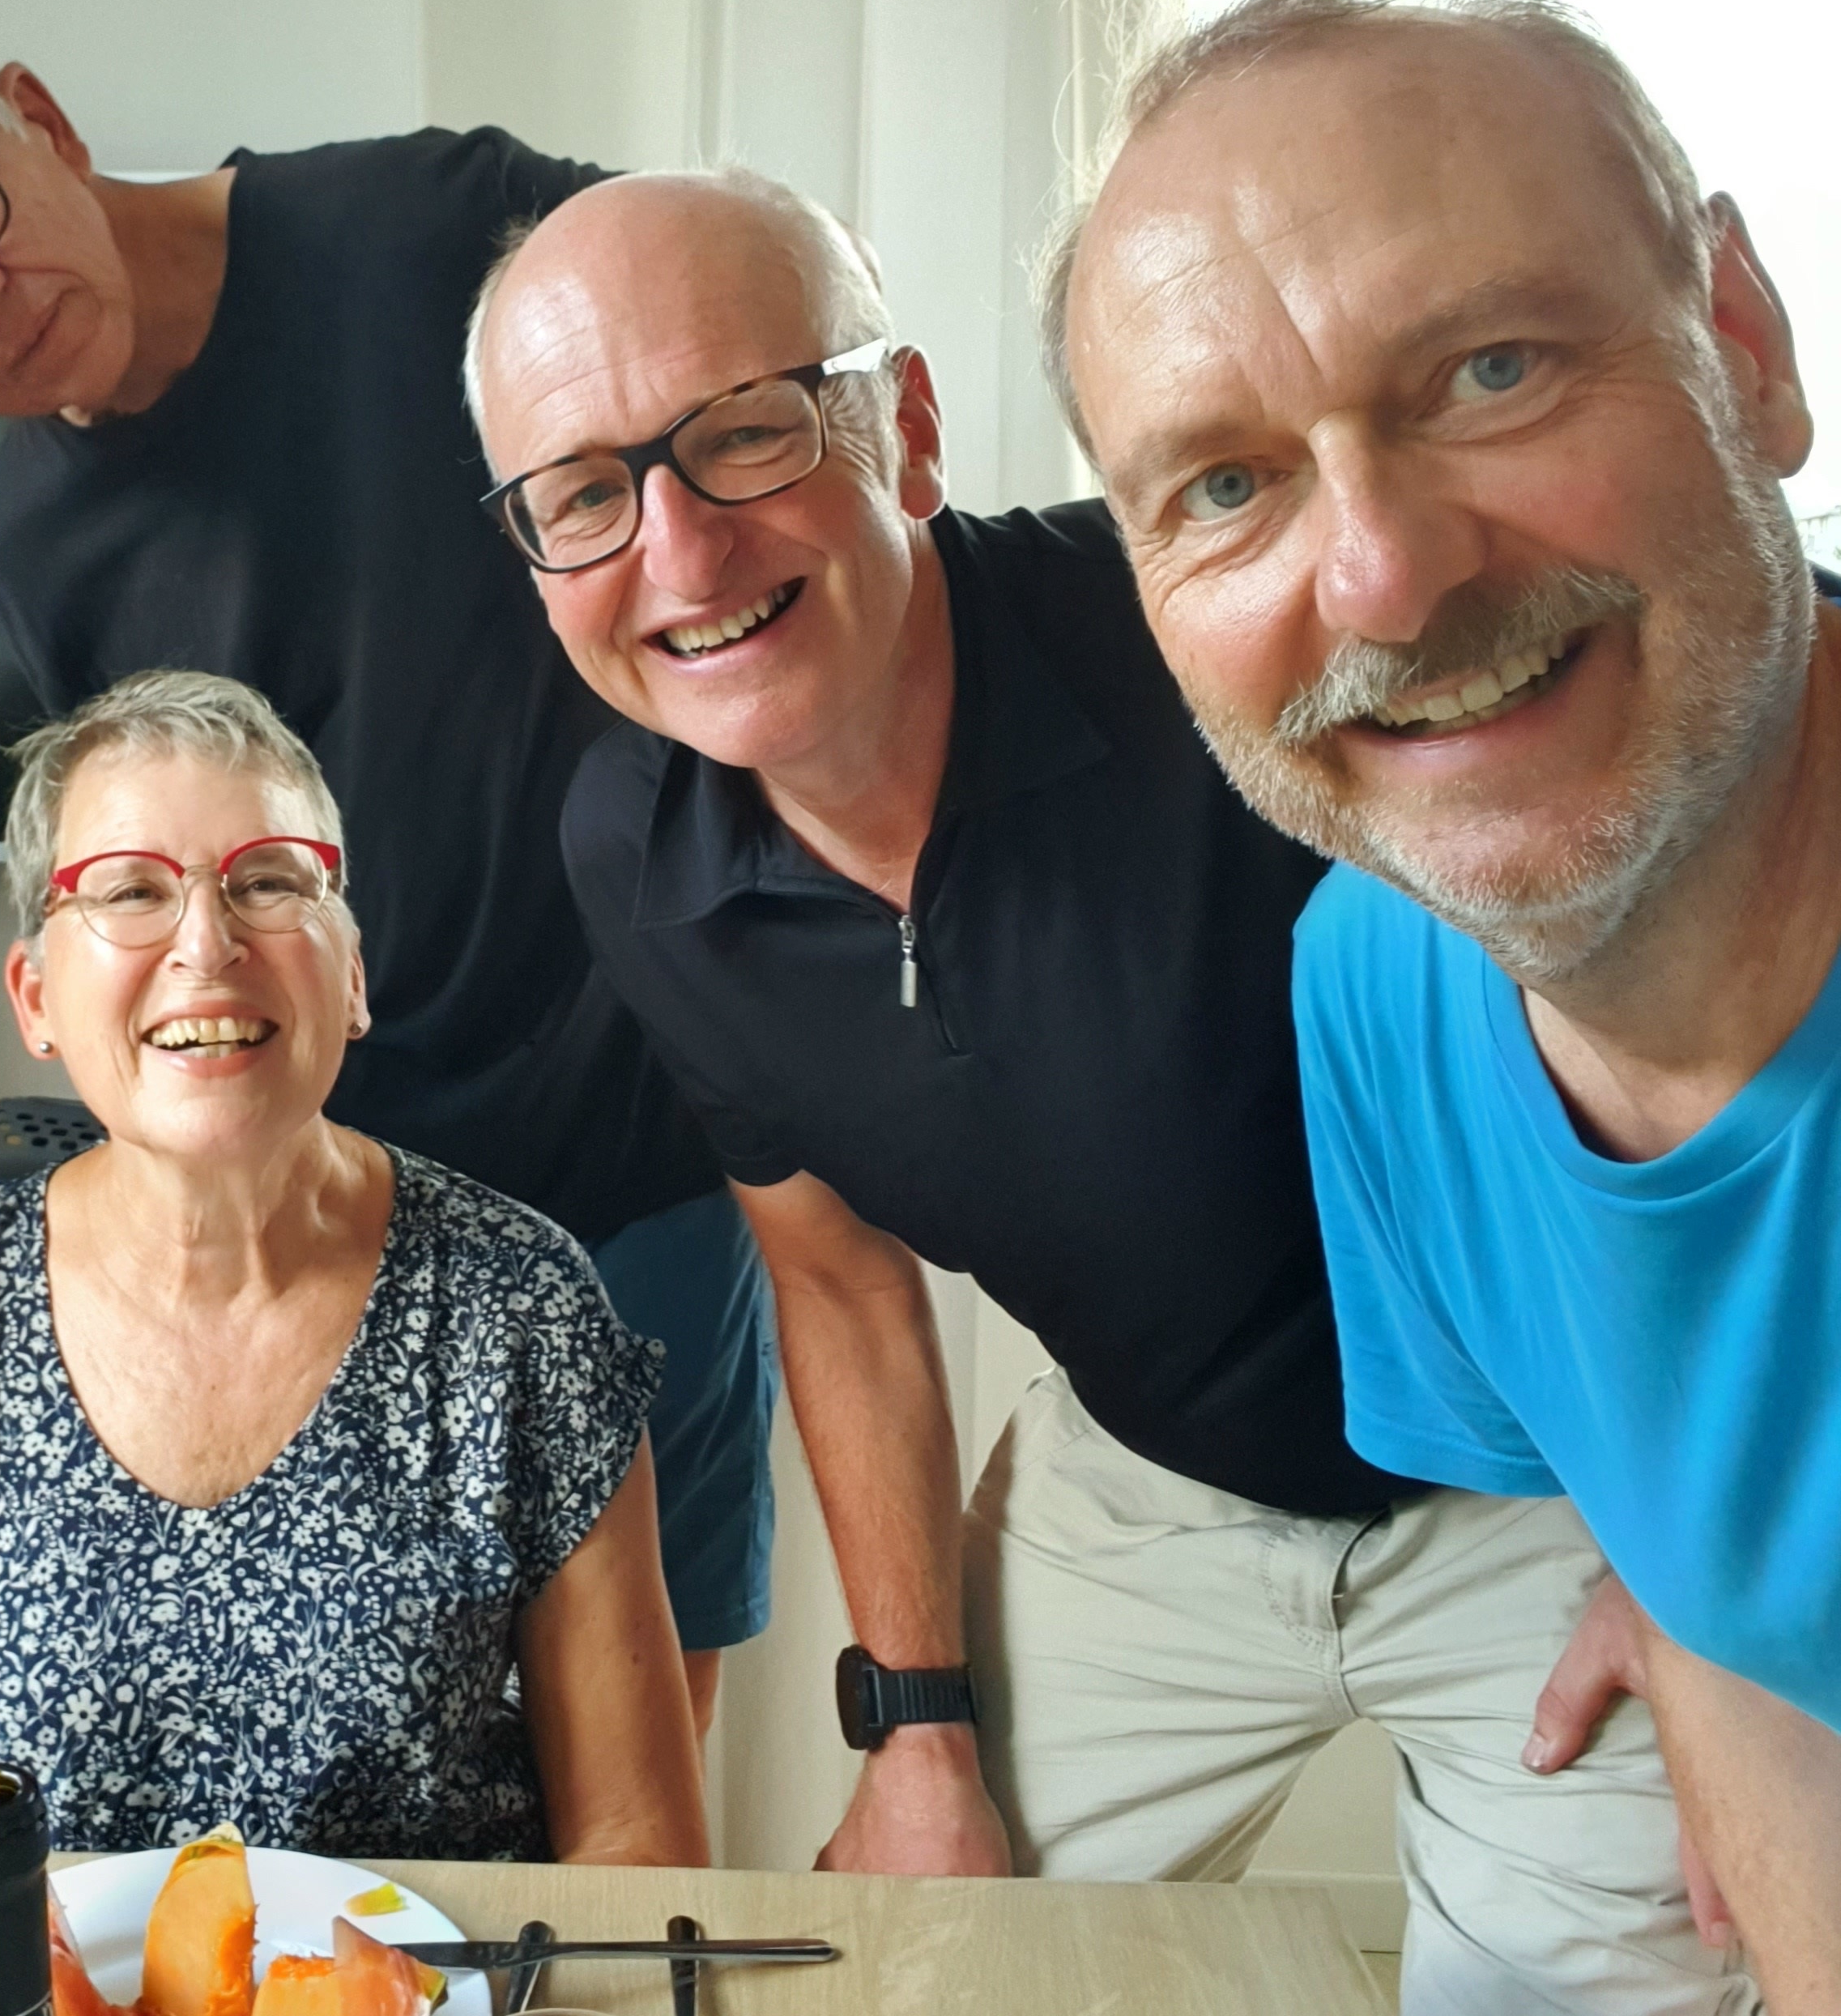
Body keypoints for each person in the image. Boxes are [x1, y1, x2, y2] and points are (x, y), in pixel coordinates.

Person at [467, 164, 1745, 2013]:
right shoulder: (632, 846)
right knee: (914, 1981)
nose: (679, 553)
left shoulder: (1210, 629)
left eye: (743, 437)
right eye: (586, 494)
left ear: (900, 428)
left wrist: (1715, 1549)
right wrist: (916, 1730)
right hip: (1143, 1477)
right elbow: (831, 1276)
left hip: (1559, 1474)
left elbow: (1734, 941)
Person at [0, 0, 777, 1730]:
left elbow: (731, 333)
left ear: (32, 113)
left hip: (634, 1135)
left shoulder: (419, 229)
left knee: (637, 1786)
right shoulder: (30, 538)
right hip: (347, 1225)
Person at [1055, 0, 1841, 2010]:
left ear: (1741, 345)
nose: (1384, 575)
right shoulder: (1385, 985)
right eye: (1225, 487)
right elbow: (1700, 1575)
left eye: (1491, 370)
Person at [0, 670, 705, 1863]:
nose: (209, 944)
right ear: (36, 999)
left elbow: (637, 1848)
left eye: (268, 883)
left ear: (354, 976)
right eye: (128, 891)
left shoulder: (520, 1309)